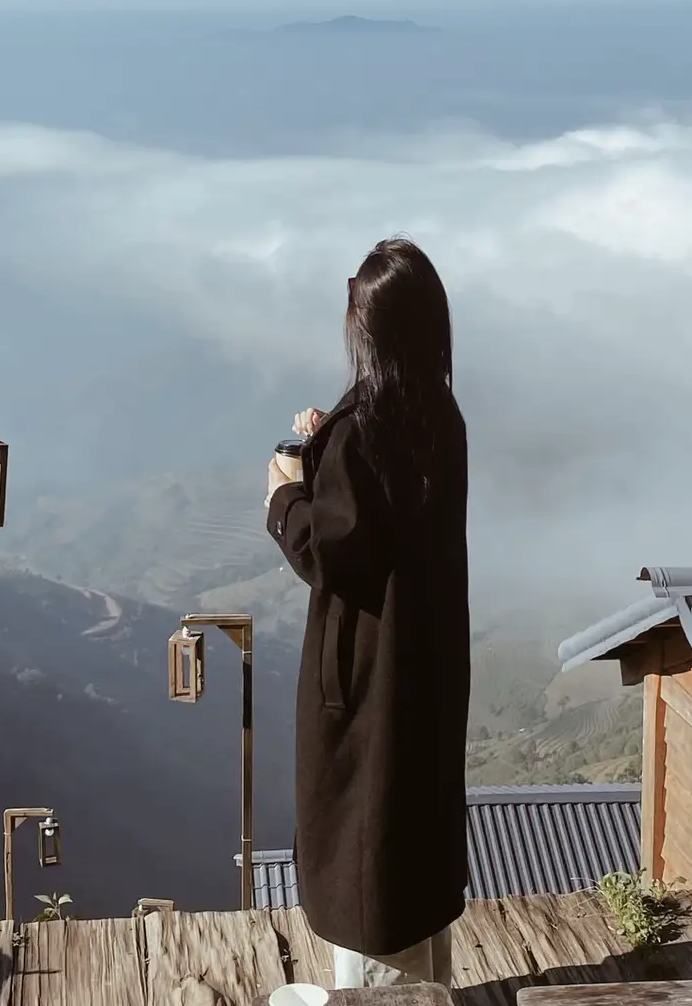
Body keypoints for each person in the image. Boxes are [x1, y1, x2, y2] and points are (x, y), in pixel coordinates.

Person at [265, 236, 470, 989]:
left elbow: (330, 550)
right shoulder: (437, 415)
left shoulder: (367, 430)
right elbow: (384, 514)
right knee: (409, 854)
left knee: (369, 869)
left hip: (365, 685)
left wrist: (286, 491)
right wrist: (329, 445)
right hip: (423, 671)